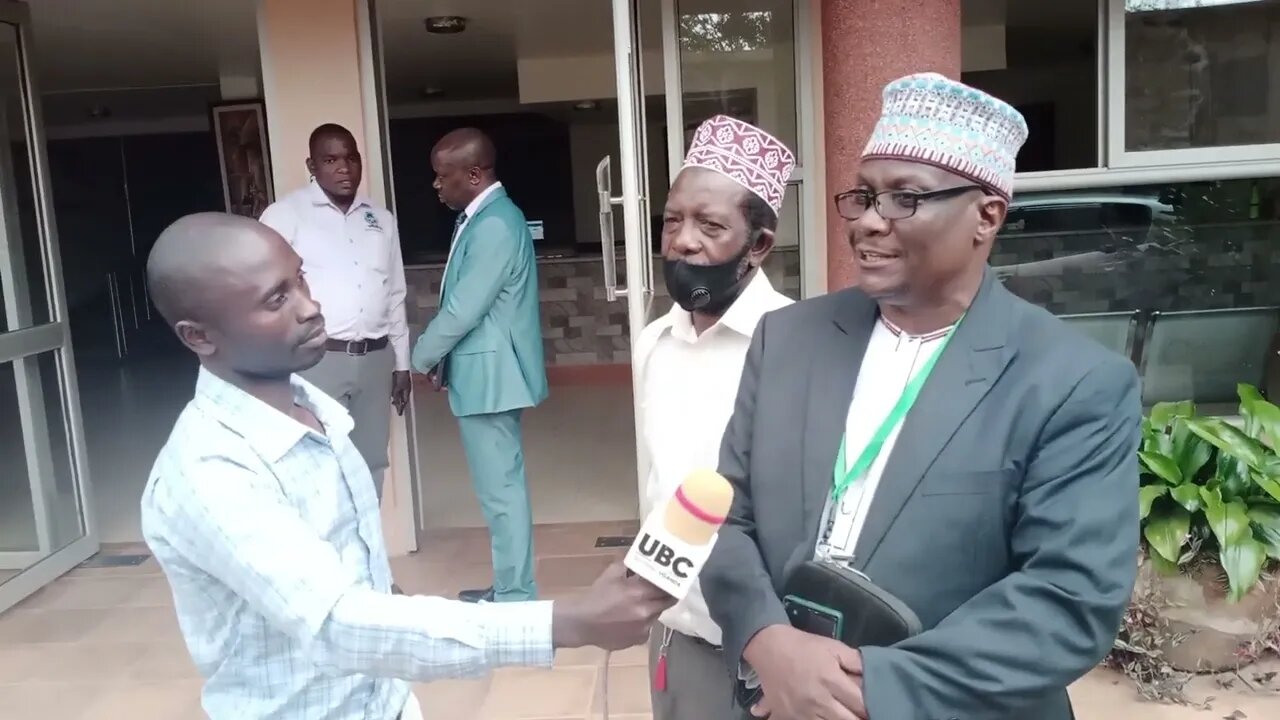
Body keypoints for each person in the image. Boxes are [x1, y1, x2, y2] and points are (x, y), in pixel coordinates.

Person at [701, 73, 1142, 720]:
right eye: (864, 196)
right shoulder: (787, 339)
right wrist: (769, 644)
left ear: (986, 216)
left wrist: (860, 689)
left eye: (905, 199)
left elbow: (1067, 599)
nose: (869, 223)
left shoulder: (1072, 382)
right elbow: (723, 514)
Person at [139, 212, 673, 720]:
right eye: (276, 299)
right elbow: (340, 625)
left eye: (301, 279)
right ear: (198, 336)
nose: (308, 306)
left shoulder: (314, 410)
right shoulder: (211, 471)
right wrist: (570, 621)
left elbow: (356, 577)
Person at [632, 115, 795, 720]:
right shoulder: (654, 344)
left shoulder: (795, 345)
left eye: (710, 225)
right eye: (673, 220)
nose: (683, 241)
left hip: (770, 652)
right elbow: (658, 483)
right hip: (677, 636)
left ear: (757, 246)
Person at [412, 128, 548, 604]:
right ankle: (511, 586)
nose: (436, 185)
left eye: (442, 176)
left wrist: (421, 356)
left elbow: (464, 308)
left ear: (473, 174)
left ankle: (514, 594)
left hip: (492, 377)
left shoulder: (493, 223)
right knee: (500, 488)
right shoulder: (486, 217)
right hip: (488, 373)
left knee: (500, 491)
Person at [259, 123, 410, 500]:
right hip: (317, 359)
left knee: (373, 461)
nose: (344, 168)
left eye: (351, 158)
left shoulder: (381, 220)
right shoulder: (285, 215)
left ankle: (364, 552)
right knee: (319, 464)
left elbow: (394, 293)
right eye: (331, 160)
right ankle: (327, 556)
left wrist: (402, 364)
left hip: (376, 360)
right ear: (312, 165)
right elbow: (261, 289)